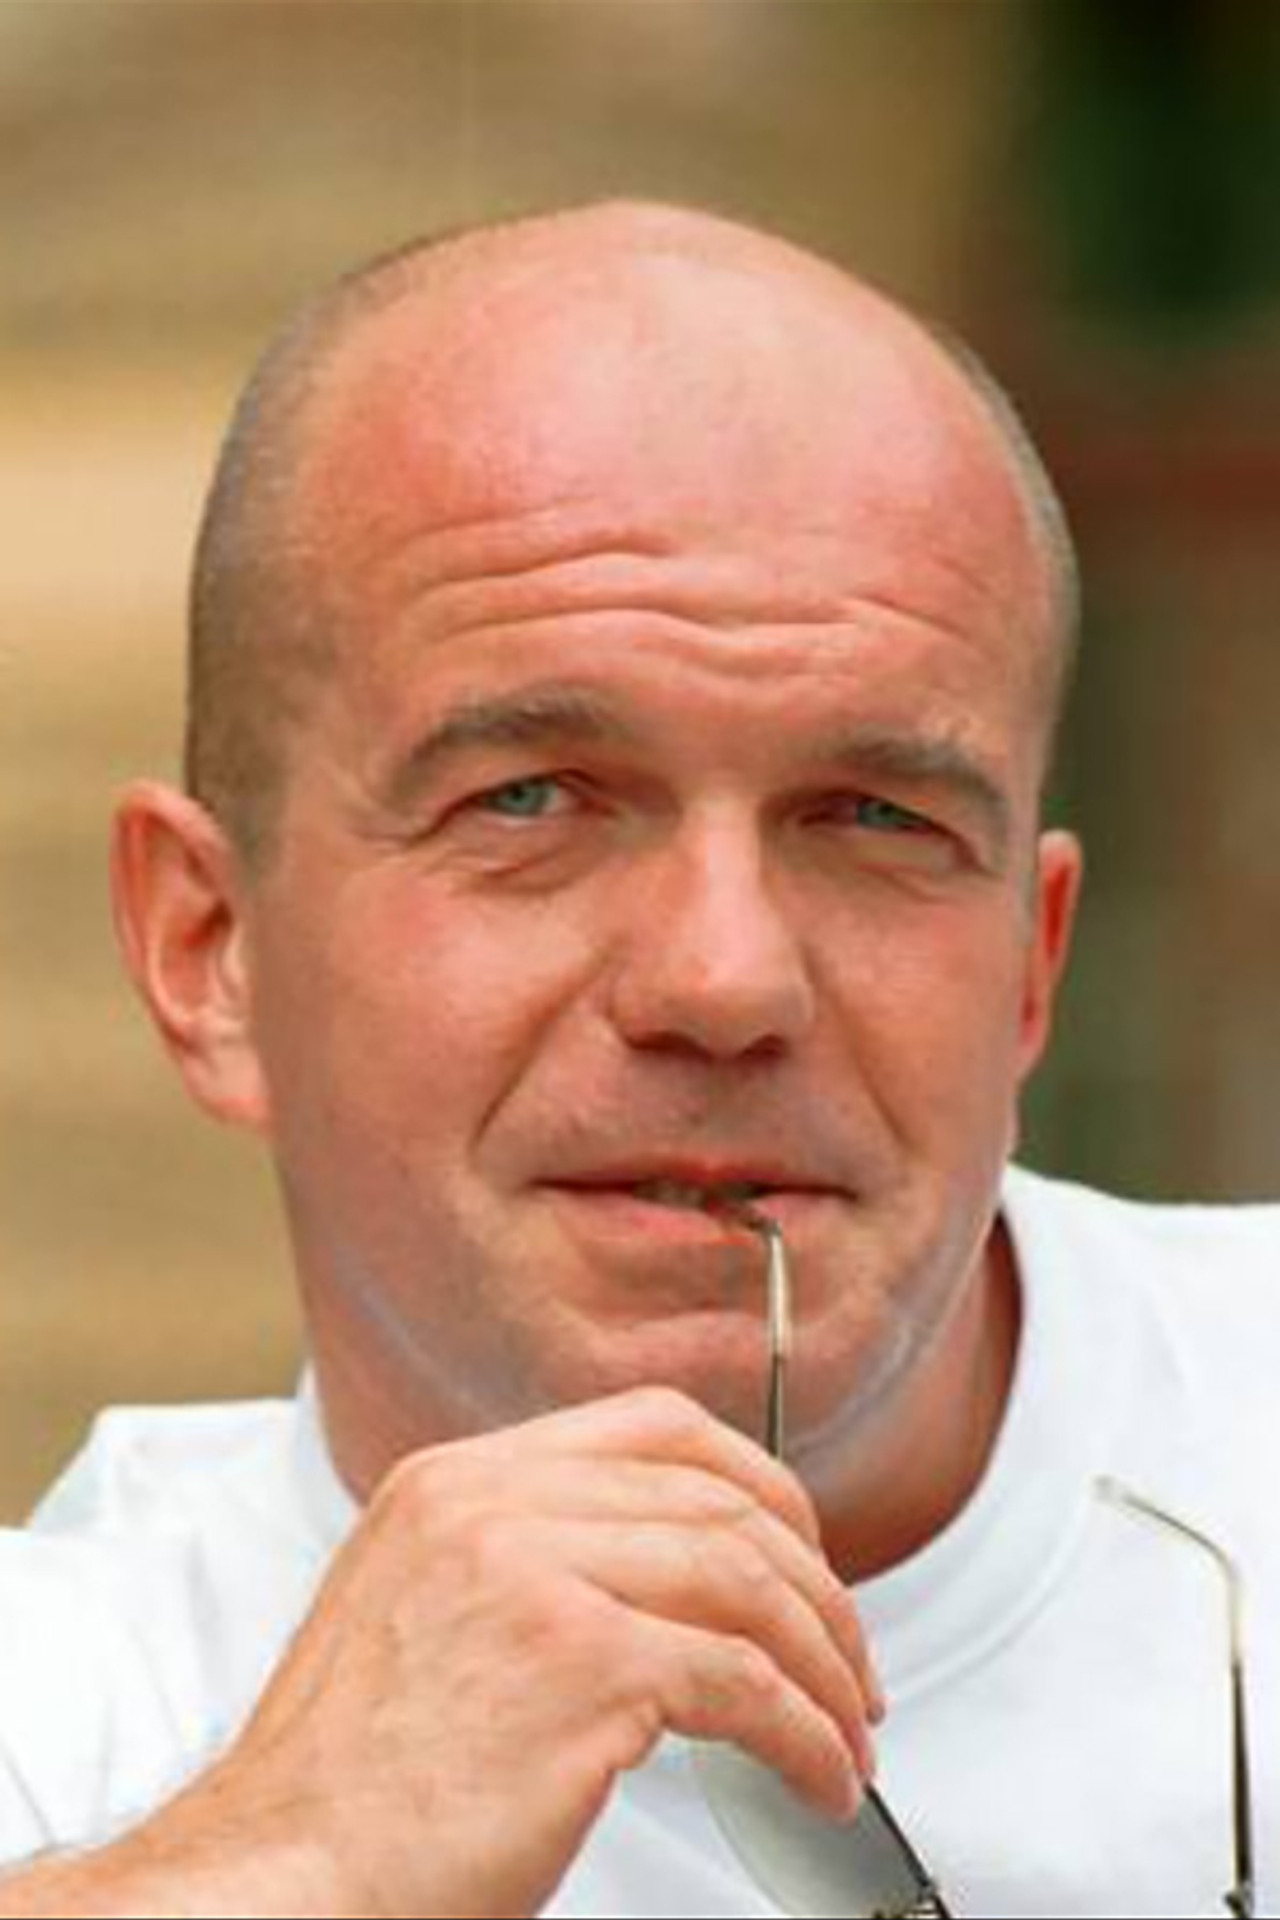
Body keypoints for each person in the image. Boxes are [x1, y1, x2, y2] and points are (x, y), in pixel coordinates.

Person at [0, 199, 1274, 1920]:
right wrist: (284, 1861)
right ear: (207, 949)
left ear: (1031, 970)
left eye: (874, 817)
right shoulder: (74, 1727)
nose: (725, 980)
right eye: (531, 800)